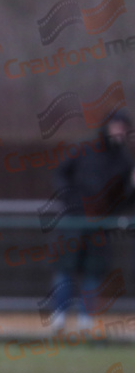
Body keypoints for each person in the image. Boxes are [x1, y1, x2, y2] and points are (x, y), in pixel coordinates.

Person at [49, 110, 135, 331]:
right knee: (65, 270)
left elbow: (123, 200)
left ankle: (85, 321)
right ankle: (58, 317)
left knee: (93, 273)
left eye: (123, 128)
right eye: (115, 126)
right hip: (74, 221)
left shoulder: (124, 161)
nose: (118, 132)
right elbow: (60, 175)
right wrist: (69, 201)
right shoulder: (84, 150)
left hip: (101, 226)